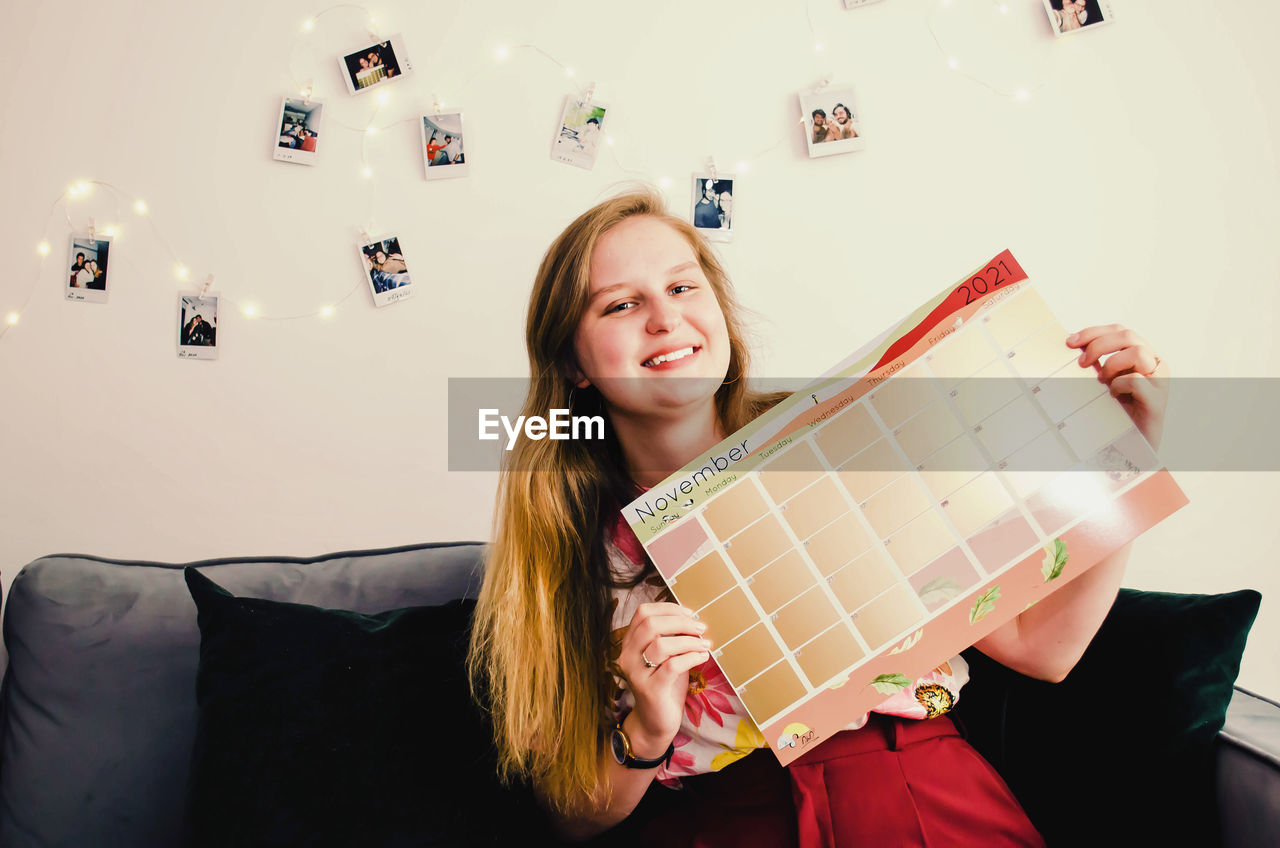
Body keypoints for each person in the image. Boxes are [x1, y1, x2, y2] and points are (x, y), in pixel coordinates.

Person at [468, 187, 1169, 846]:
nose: (665, 317)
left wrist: (1124, 457)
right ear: (574, 362)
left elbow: (1040, 649)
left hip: (916, 793)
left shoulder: (848, 444)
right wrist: (645, 731)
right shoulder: (561, 544)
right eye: (620, 305)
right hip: (720, 821)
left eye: (684, 287)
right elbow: (570, 819)